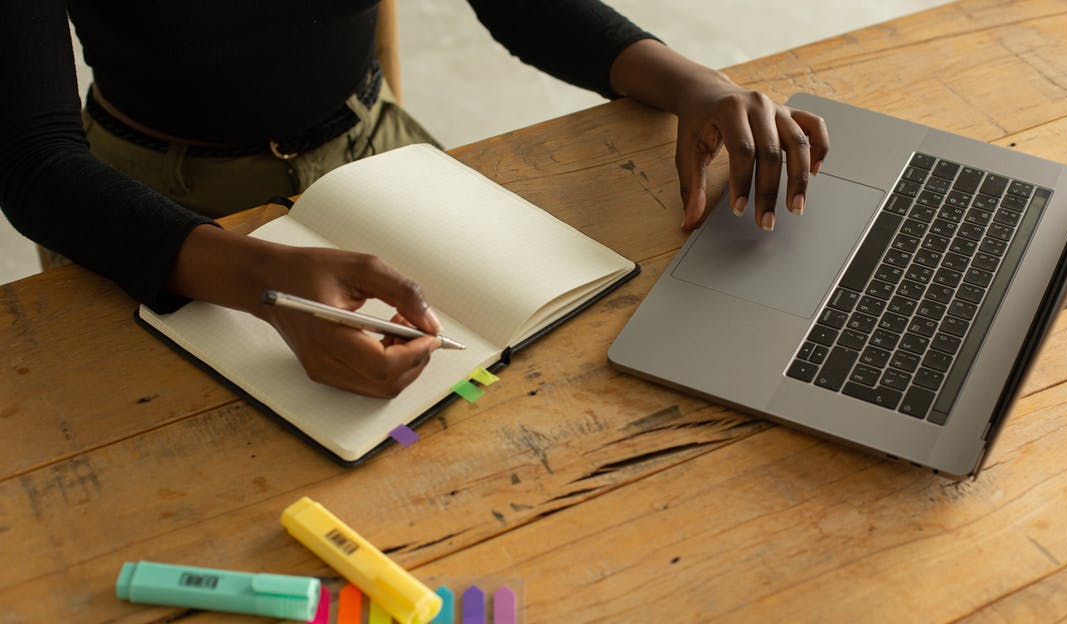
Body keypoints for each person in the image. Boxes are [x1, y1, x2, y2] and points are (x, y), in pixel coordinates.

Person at [0, 0, 829, 398]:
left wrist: (693, 85)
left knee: (529, 376)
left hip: (373, 147)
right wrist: (265, 284)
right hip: (146, 201)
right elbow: (33, 162)